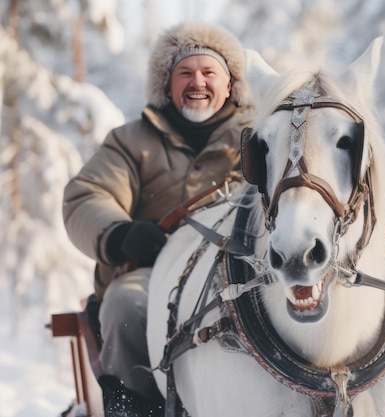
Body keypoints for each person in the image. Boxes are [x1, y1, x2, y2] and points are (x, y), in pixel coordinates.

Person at [62, 22, 254, 416]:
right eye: (185, 72)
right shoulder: (130, 141)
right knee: (124, 303)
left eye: (208, 72)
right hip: (154, 274)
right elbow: (87, 195)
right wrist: (120, 235)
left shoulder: (259, 137)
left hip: (244, 275)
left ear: (230, 85)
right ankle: (138, 407)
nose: (196, 81)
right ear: (167, 85)